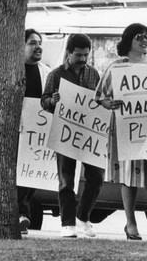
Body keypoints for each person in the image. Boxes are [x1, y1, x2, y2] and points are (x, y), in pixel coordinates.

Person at [94, 23, 147, 241]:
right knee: (128, 177)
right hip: (126, 129)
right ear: (128, 40)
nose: (145, 40)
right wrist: (108, 103)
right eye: (140, 36)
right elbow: (100, 96)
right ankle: (131, 224)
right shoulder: (118, 67)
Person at [0, 28, 51, 234]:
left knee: (32, 177)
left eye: (40, 42)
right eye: (32, 43)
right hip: (13, 136)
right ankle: (20, 216)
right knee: (15, 177)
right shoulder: (6, 73)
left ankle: (22, 216)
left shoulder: (46, 73)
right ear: (20, 46)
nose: (38, 47)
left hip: (36, 138)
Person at [41, 33, 103, 238]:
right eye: (78, 55)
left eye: (86, 55)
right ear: (68, 52)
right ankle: (67, 224)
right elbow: (44, 101)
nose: (83, 59)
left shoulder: (94, 74)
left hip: (89, 134)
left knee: (96, 177)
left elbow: (99, 100)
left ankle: (82, 217)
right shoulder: (55, 74)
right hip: (65, 133)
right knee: (66, 180)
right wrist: (53, 101)